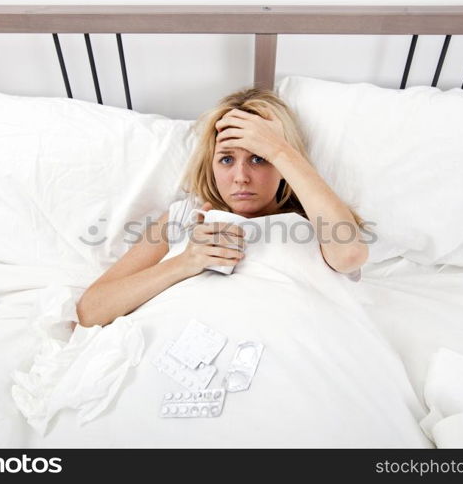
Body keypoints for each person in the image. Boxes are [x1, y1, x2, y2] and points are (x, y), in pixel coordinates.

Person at [76, 87, 369, 327]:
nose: (241, 177)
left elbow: (350, 254)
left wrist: (278, 148)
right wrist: (186, 261)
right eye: (227, 159)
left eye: (258, 158)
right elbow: (91, 312)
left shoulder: (315, 217)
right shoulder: (184, 216)